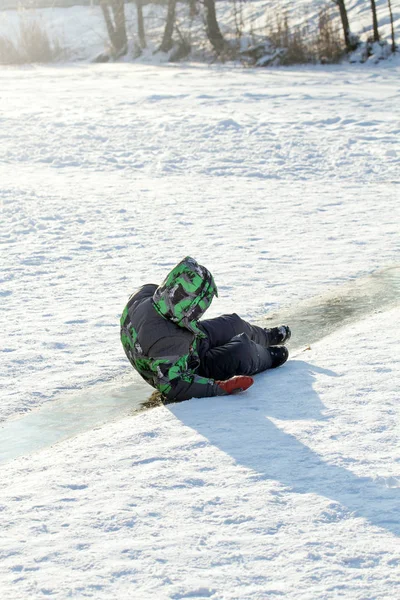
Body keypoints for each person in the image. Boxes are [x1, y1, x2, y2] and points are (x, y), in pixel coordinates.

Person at [120, 256, 290, 403]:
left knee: (232, 323)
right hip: (189, 369)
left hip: (188, 337)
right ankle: (267, 356)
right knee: (241, 352)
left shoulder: (146, 295)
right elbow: (174, 385)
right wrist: (219, 387)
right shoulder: (167, 342)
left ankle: (267, 336)